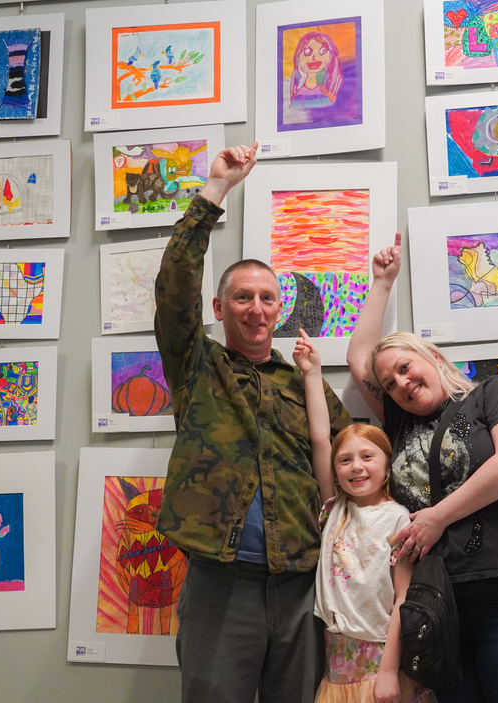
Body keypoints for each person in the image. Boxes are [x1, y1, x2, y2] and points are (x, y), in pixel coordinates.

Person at [153, 142, 353, 703]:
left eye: (267, 298)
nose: (257, 308)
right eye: (243, 297)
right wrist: (216, 188)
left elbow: (354, 453)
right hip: (222, 583)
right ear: (220, 310)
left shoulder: (303, 384)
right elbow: (174, 292)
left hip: (301, 585)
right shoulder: (198, 365)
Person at [345, 233, 498, 703]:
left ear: (433, 357)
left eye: (406, 367)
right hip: (442, 603)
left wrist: (435, 517)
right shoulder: (400, 420)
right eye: (390, 382)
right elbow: (357, 358)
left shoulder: (492, 394)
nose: (401, 383)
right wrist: (382, 283)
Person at [293, 329, 434, 703]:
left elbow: (404, 597)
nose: (356, 467)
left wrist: (389, 670)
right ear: (336, 470)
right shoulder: (334, 508)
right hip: (336, 669)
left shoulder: (399, 518)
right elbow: (321, 438)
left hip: (383, 667)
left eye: (367, 457)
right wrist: (311, 372)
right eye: (345, 460)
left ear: (388, 465)